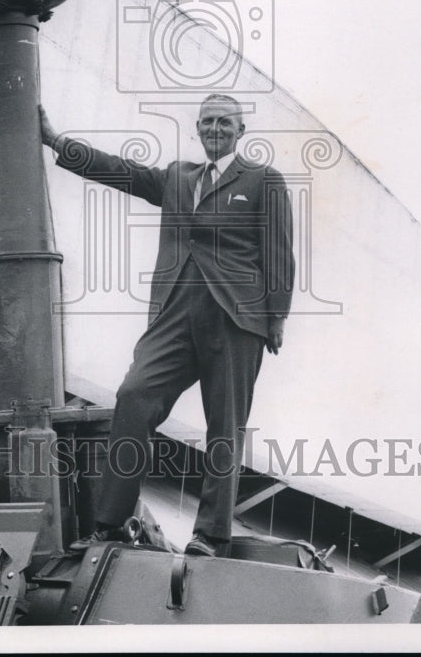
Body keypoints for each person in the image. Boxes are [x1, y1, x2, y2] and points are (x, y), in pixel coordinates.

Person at [39, 93, 294, 557]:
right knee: (133, 396)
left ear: (241, 132)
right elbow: (123, 172)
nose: (215, 129)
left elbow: (280, 253)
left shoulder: (264, 181)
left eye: (225, 123)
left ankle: (210, 535)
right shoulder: (179, 177)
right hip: (174, 312)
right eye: (207, 122)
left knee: (225, 425)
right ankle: (110, 524)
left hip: (235, 317)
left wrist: (275, 318)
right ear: (198, 129)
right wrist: (58, 142)